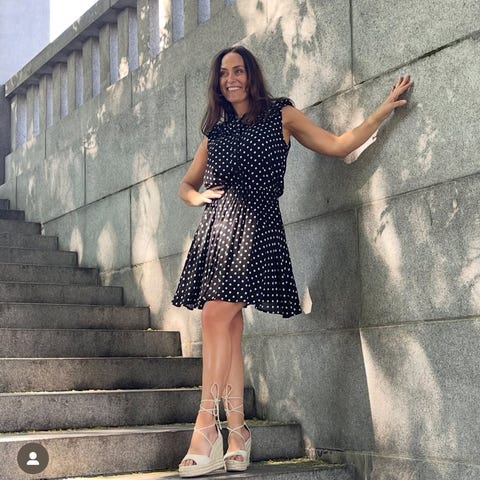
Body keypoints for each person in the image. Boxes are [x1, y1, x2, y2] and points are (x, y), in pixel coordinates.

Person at [172, 45, 412, 477]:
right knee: (229, 324)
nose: (231, 79)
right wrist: (198, 197)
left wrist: (382, 111)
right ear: (217, 83)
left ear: (251, 75)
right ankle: (238, 432)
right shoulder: (216, 133)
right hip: (219, 230)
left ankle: (206, 427)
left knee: (214, 315)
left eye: (238, 70)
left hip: (258, 227)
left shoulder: (281, 114)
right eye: (223, 73)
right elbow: (186, 185)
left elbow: (337, 145)